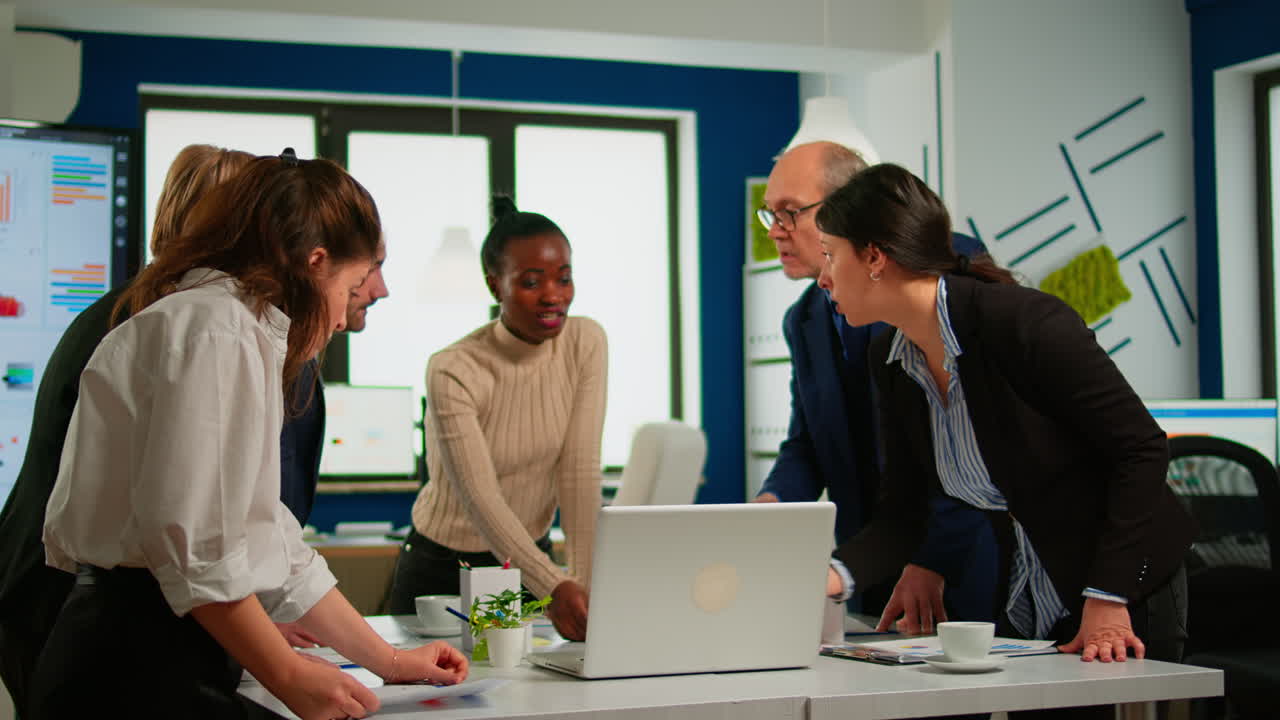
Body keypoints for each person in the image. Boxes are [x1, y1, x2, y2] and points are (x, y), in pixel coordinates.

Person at [29, 151, 467, 720]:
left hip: (152, 646)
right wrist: (288, 675)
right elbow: (200, 552)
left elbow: (272, 540)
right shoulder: (217, 331)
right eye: (353, 284)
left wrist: (389, 661)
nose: (342, 318)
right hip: (130, 662)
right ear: (315, 262)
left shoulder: (239, 328)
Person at [819, 164, 1193, 718]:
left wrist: (1110, 596)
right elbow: (903, 513)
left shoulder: (1023, 323)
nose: (823, 277)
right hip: (1030, 593)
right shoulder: (892, 359)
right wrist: (826, 577)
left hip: (1121, 589)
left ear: (875, 257)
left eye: (830, 255)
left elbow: (1140, 448)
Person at [0, 144, 254, 715]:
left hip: (41, 588)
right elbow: (190, 525)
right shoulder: (190, 327)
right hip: (72, 601)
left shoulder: (128, 308)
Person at [752, 140, 998, 629]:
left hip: (961, 563)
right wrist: (767, 508)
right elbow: (808, 443)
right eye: (769, 215)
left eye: (790, 213)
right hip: (870, 559)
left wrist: (932, 559)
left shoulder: (935, 290)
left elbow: (972, 452)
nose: (776, 232)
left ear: (849, 208)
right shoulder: (803, 319)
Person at [388, 197, 606, 643]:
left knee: (527, 699)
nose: (553, 294)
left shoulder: (585, 342)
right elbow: (480, 498)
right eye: (531, 281)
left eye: (564, 278)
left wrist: (585, 582)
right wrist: (555, 585)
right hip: (448, 567)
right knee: (444, 704)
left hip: (526, 564)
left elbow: (579, 471)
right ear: (495, 286)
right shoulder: (454, 368)